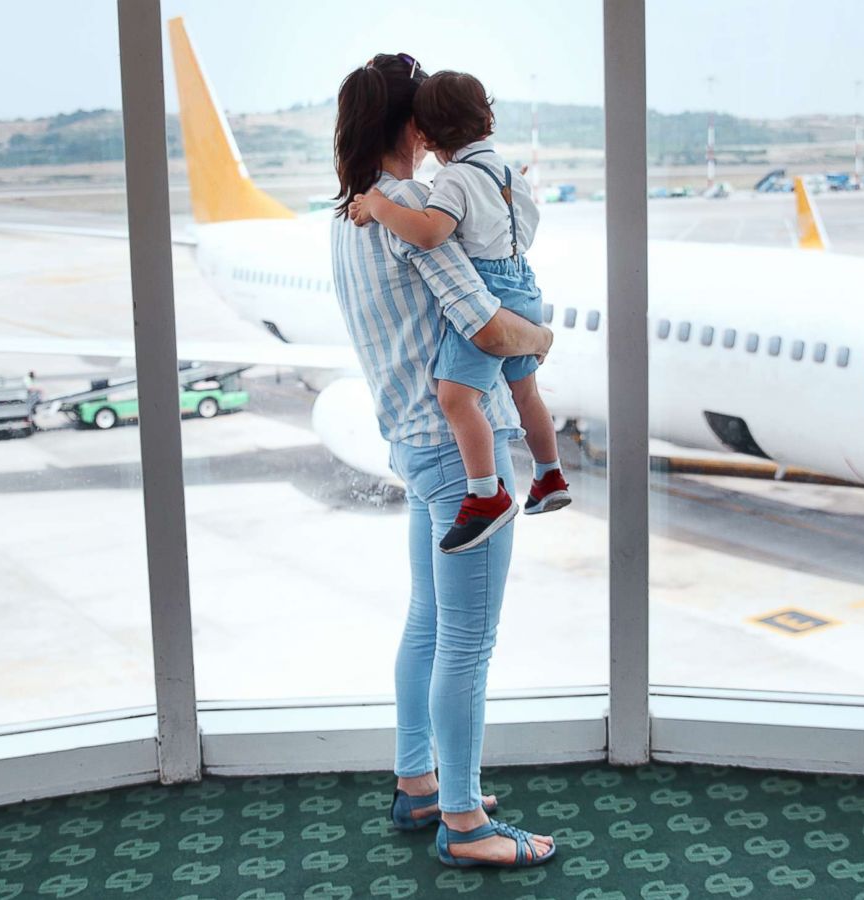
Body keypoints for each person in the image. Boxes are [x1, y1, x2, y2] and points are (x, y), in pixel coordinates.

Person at [329, 52, 558, 870]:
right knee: (467, 642)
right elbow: (494, 331)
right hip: (463, 456)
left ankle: (419, 782)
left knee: (429, 625)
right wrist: (544, 336)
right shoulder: (413, 214)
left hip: (412, 445)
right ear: (413, 126)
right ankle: (464, 825)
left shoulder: (348, 218)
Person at [350, 70, 569, 555]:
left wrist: (381, 207)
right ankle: (550, 474)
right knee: (526, 393)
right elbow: (526, 230)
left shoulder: (448, 180)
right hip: (524, 283)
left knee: (455, 399)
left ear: (425, 134)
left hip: (492, 291)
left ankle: (485, 495)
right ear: (488, 120)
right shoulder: (509, 174)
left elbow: (430, 233)